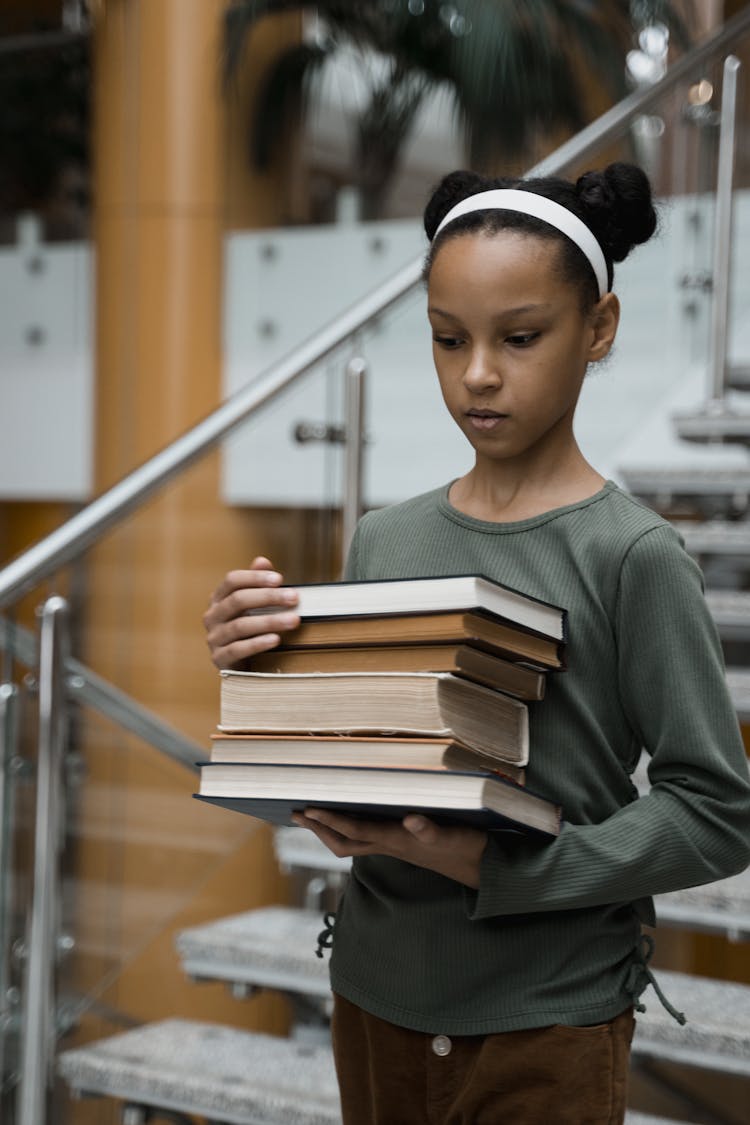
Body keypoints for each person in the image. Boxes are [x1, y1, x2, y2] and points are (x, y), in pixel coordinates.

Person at [203, 163, 750, 1125]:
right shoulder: (385, 538)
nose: (478, 373)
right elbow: (363, 751)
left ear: (601, 328)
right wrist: (260, 672)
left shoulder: (635, 556)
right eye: (447, 339)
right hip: (375, 993)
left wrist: (503, 868)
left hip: (548, 1018)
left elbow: (716, 810)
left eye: (520, 337)